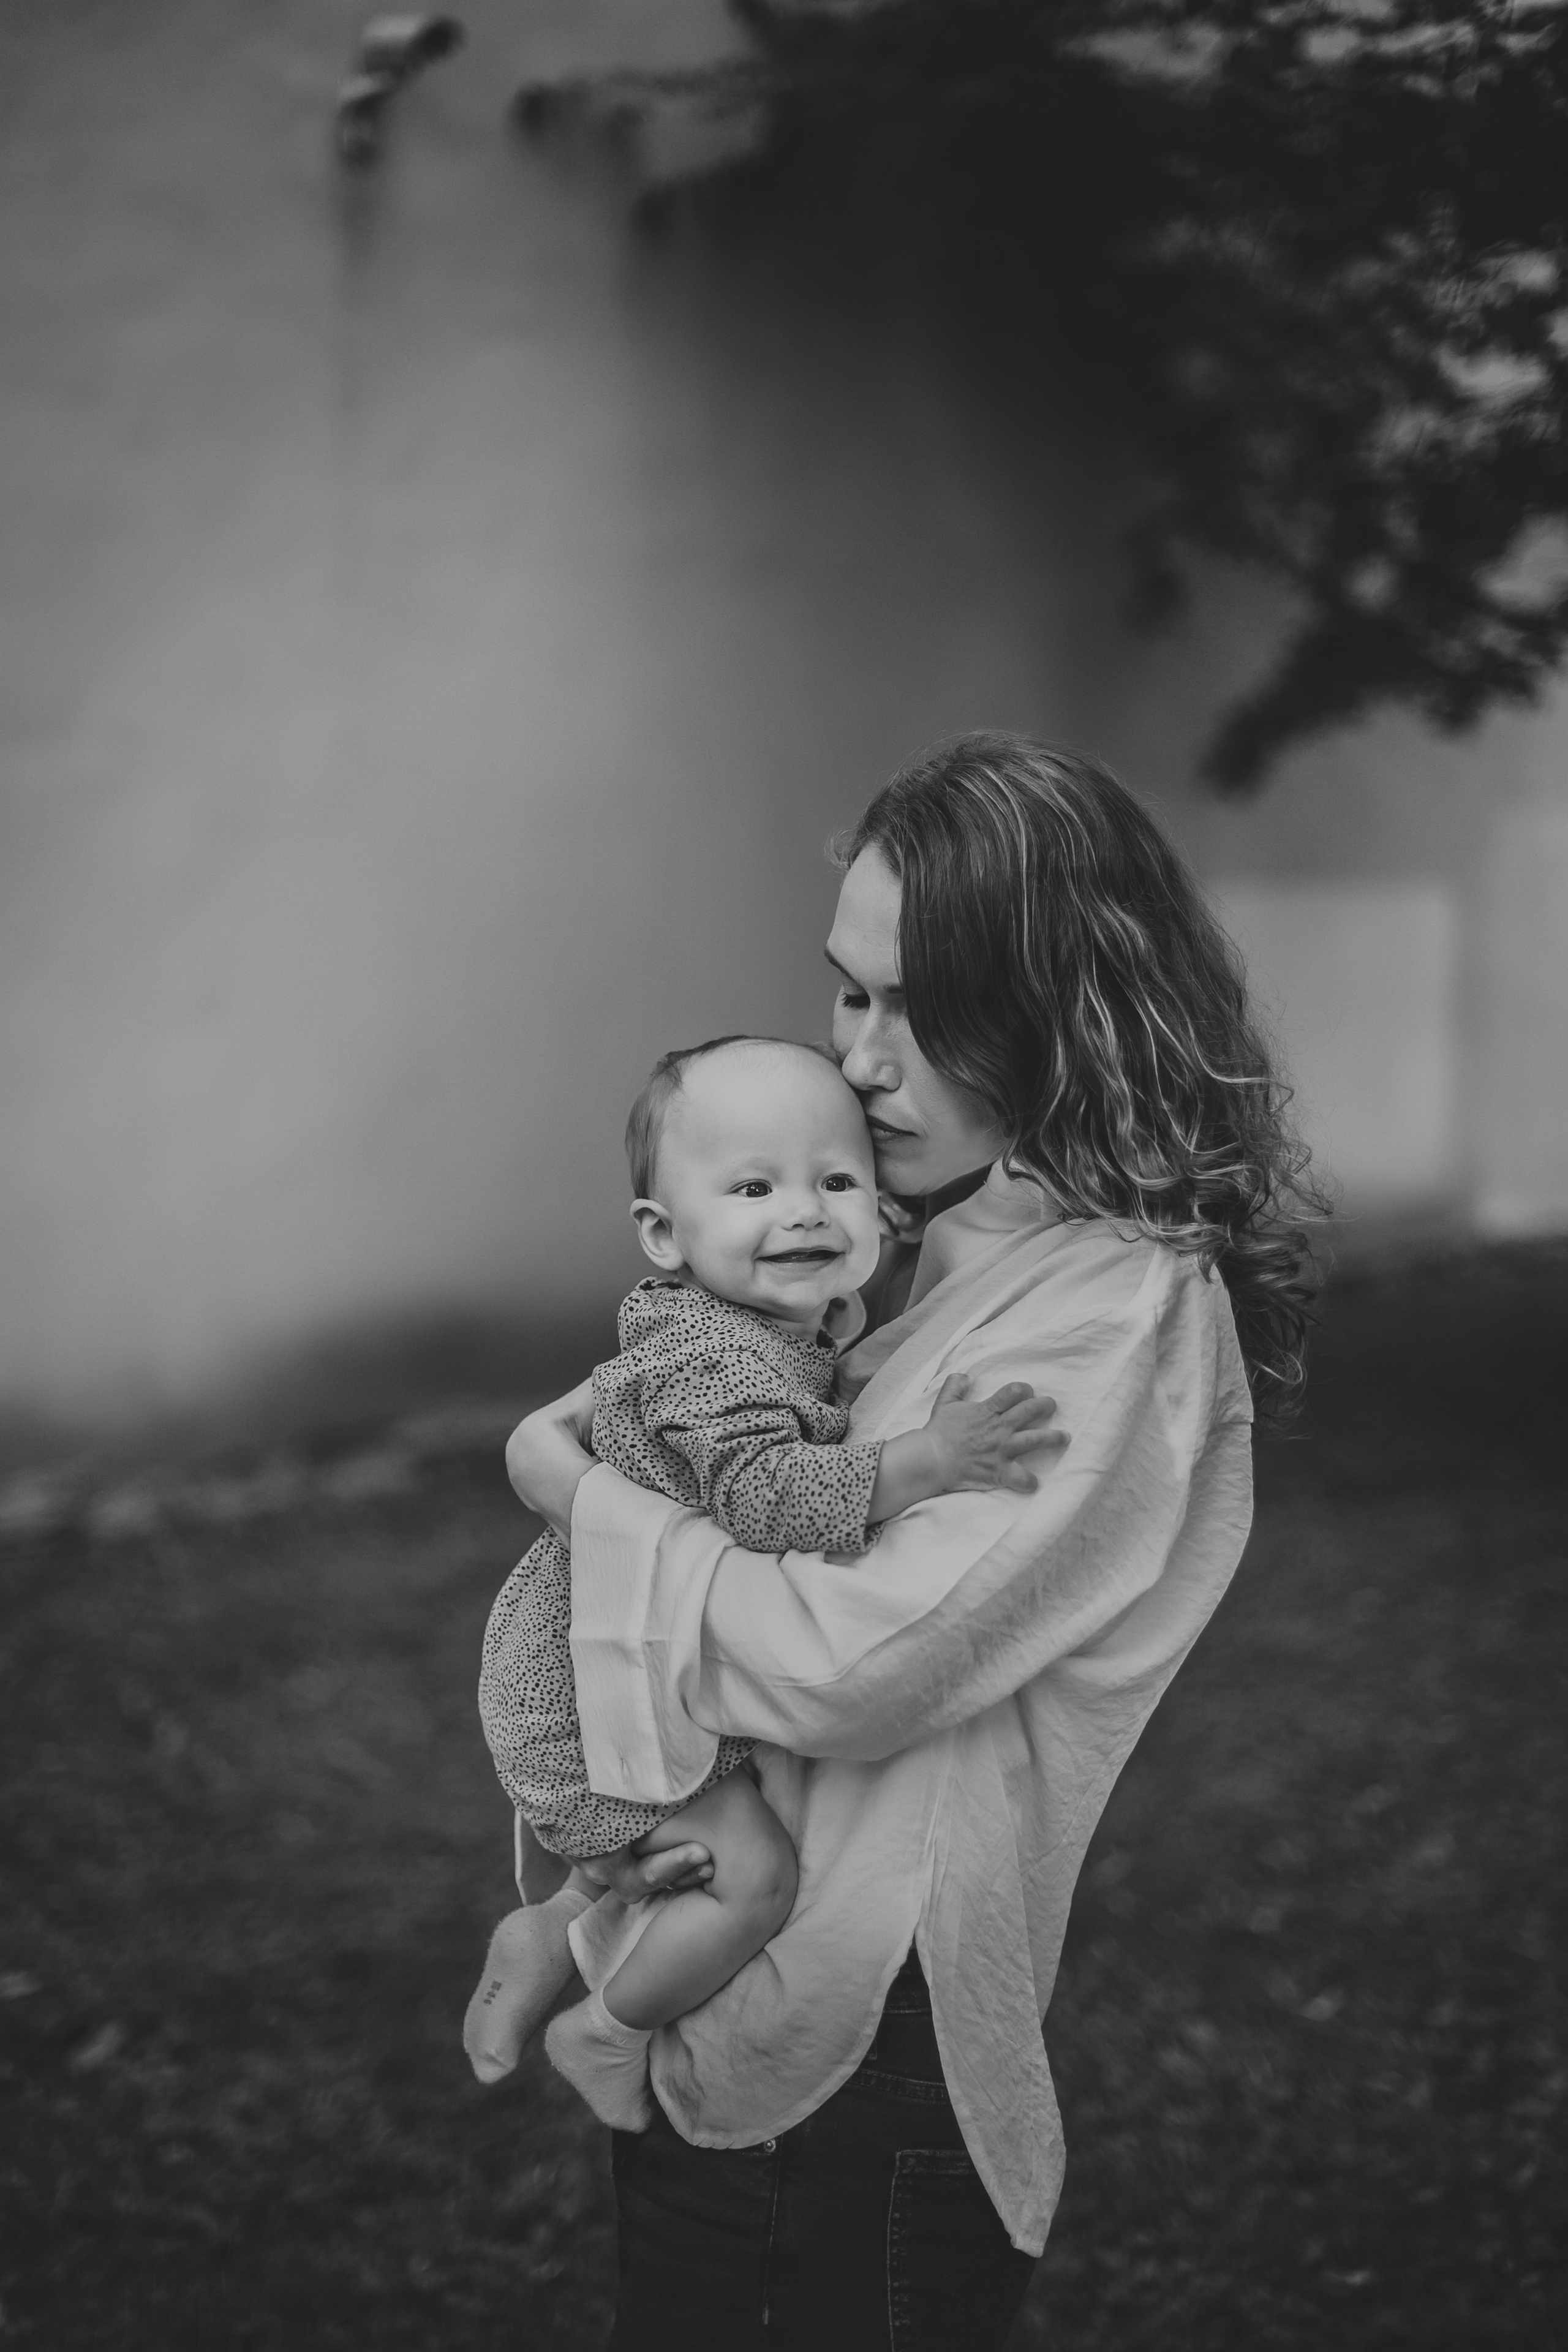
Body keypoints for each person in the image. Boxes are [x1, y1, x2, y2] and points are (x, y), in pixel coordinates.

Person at [503, 734, 1319, 2351]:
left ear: (1059, 1011)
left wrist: (579, 1498)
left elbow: (852, 1667)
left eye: (918, 1007)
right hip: (745, 1972)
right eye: (850, 993)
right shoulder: (942, 1248)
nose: (862, 1060)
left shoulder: (1111, 1314)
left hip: (860, 2045)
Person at [466, 1035, 1057, 2117]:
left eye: (836, 1182)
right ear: (663, 1233)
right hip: (586, 1691)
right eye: (753, 1189)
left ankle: (552, 1930)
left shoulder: (755, 1314)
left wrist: (889, 1227)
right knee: (753, 1877)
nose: (804, 1214)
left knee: (680, 1847)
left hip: (620, 1644)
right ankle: (605, 2033)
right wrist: (929, 1461)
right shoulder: (710, 1360)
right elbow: (767, 1496)